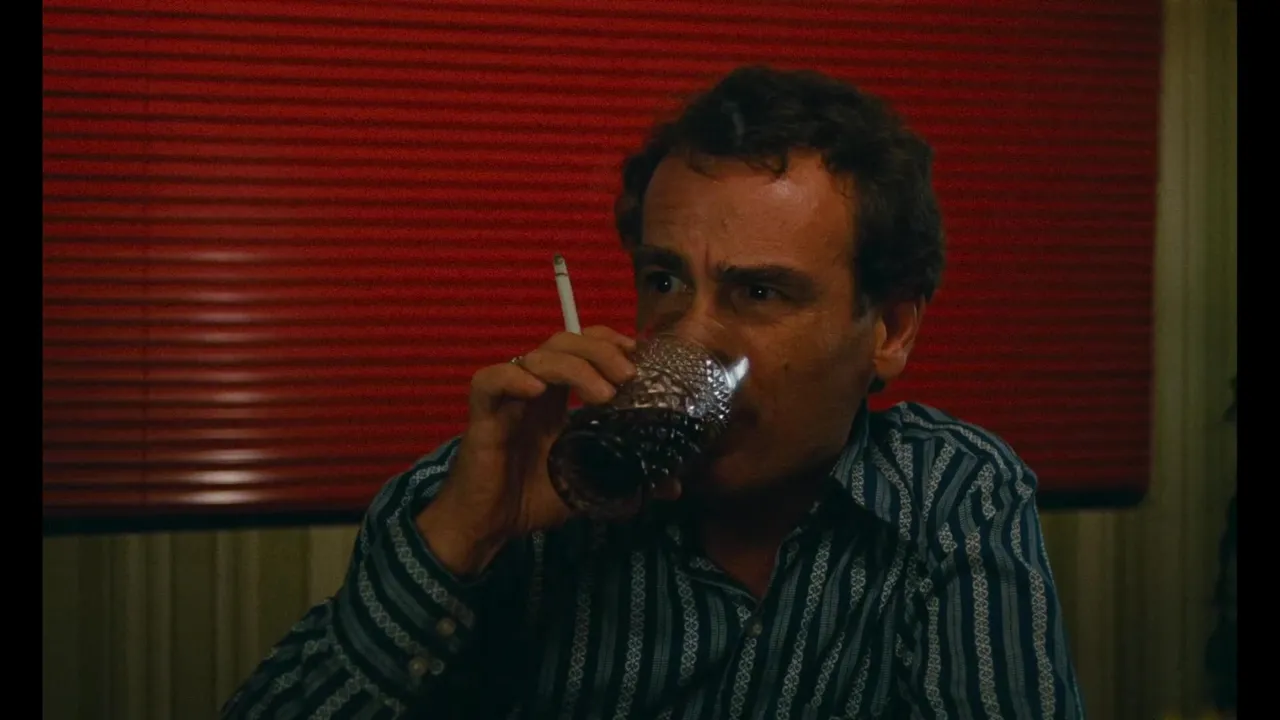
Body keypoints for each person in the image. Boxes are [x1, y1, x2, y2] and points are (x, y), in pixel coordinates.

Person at [222, 65, 1083, 719]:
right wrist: (461, 542)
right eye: (665, 282)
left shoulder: (947, 491)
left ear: (889, 329)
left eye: (758, 292)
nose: (687, 337)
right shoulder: (492, 494)